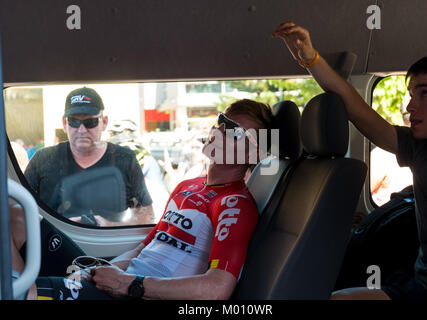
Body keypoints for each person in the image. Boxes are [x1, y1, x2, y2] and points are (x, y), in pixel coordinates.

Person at [16, 98, 273, 300]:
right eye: (222, 121)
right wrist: (101, 273)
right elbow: (143, 248)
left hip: (139, 293)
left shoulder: (235, 204)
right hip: (124, 281)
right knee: (16, 218)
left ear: (254, 152)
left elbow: (216, 289)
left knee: (18, 291)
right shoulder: (187, 186)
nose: (220, 131)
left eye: (235, 133)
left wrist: (130, 285)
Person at [273, 22, 427, 300]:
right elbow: (358, 110)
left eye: (425, 93)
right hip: (421, 286)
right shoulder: (420, 149)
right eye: (411, 95)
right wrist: (311, 60)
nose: (411, 106)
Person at [23, 87, 155, 226]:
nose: (81, 130)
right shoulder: (43, 159)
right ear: (64, 123)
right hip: (56, 244)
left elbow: (147, 215)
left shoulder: (125, 159)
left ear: (104, 122)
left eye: (90, 122)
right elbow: (18, 209)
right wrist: (61, 226)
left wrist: (109, 225)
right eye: (73, 121)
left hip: (109, 244)